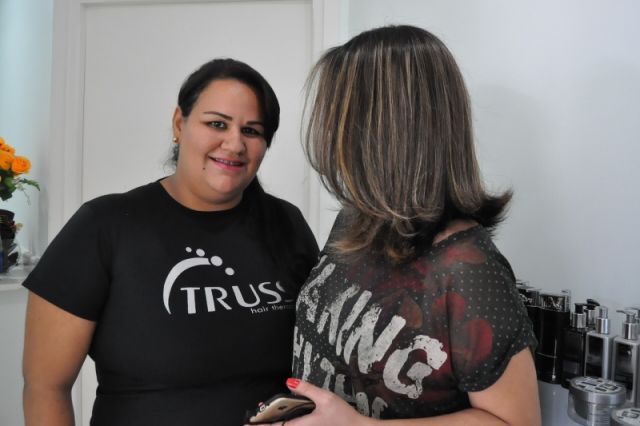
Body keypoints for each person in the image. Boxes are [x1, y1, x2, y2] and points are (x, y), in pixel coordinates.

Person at [22, 58, 319, 426]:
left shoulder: (286, 224)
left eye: (252, 130)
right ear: (180, 123)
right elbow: (45, 387)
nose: (234, 143)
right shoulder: (104, 225)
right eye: (217, 124)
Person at [284, 25, 541, 425]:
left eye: (339, 117)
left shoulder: (468, 269)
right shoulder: (353, 222)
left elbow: (515, 421)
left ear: (383, 130)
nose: (331, 134)